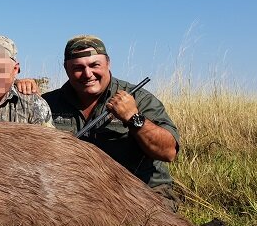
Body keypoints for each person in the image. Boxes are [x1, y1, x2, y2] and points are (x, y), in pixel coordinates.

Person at [20, 35, 181, 211]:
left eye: (94, 65)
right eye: (78, 68)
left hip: (141, 192)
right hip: (77, 196)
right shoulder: (47, 103)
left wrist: (133, 118)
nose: (88, 74)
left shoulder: (139, 98)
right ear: (66, 69)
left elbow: (168, 152)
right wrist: (17, 86)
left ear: (108, 64)